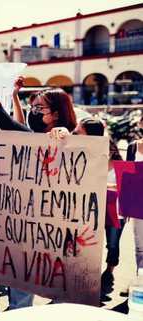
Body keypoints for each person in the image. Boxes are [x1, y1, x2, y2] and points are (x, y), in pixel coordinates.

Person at [0, 54, 78, 310]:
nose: (35, 112)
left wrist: (66, 135)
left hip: (44, 234)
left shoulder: (65, 140)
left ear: (56, 114)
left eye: (40, 108)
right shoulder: (30, 138)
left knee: (26, 297)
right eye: (33, 107)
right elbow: (4, 119)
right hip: (20, 231)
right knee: (19, 295)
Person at [73, 117, 125, 297]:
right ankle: (89, 275)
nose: (75, 133)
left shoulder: (114, 156)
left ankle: (109, 271)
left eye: (78, 131)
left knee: (112, 242)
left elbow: (125, 183)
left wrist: (107, 187)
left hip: (114, 208)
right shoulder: (80, 153)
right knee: (89, 241)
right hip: (91, 208)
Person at [126, 116, 143, 271]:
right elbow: (127, 176)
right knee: (139, 244)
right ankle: (141, 279)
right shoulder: (132, 147)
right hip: (138, 203)